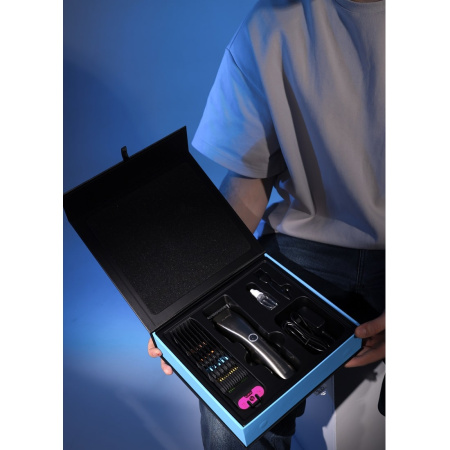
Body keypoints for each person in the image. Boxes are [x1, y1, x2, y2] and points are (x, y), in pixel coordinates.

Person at [149, 0, 385, 448]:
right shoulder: (272, 25)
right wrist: (191, 298)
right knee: (227, 388)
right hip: (305, 249)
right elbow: (250, 178)